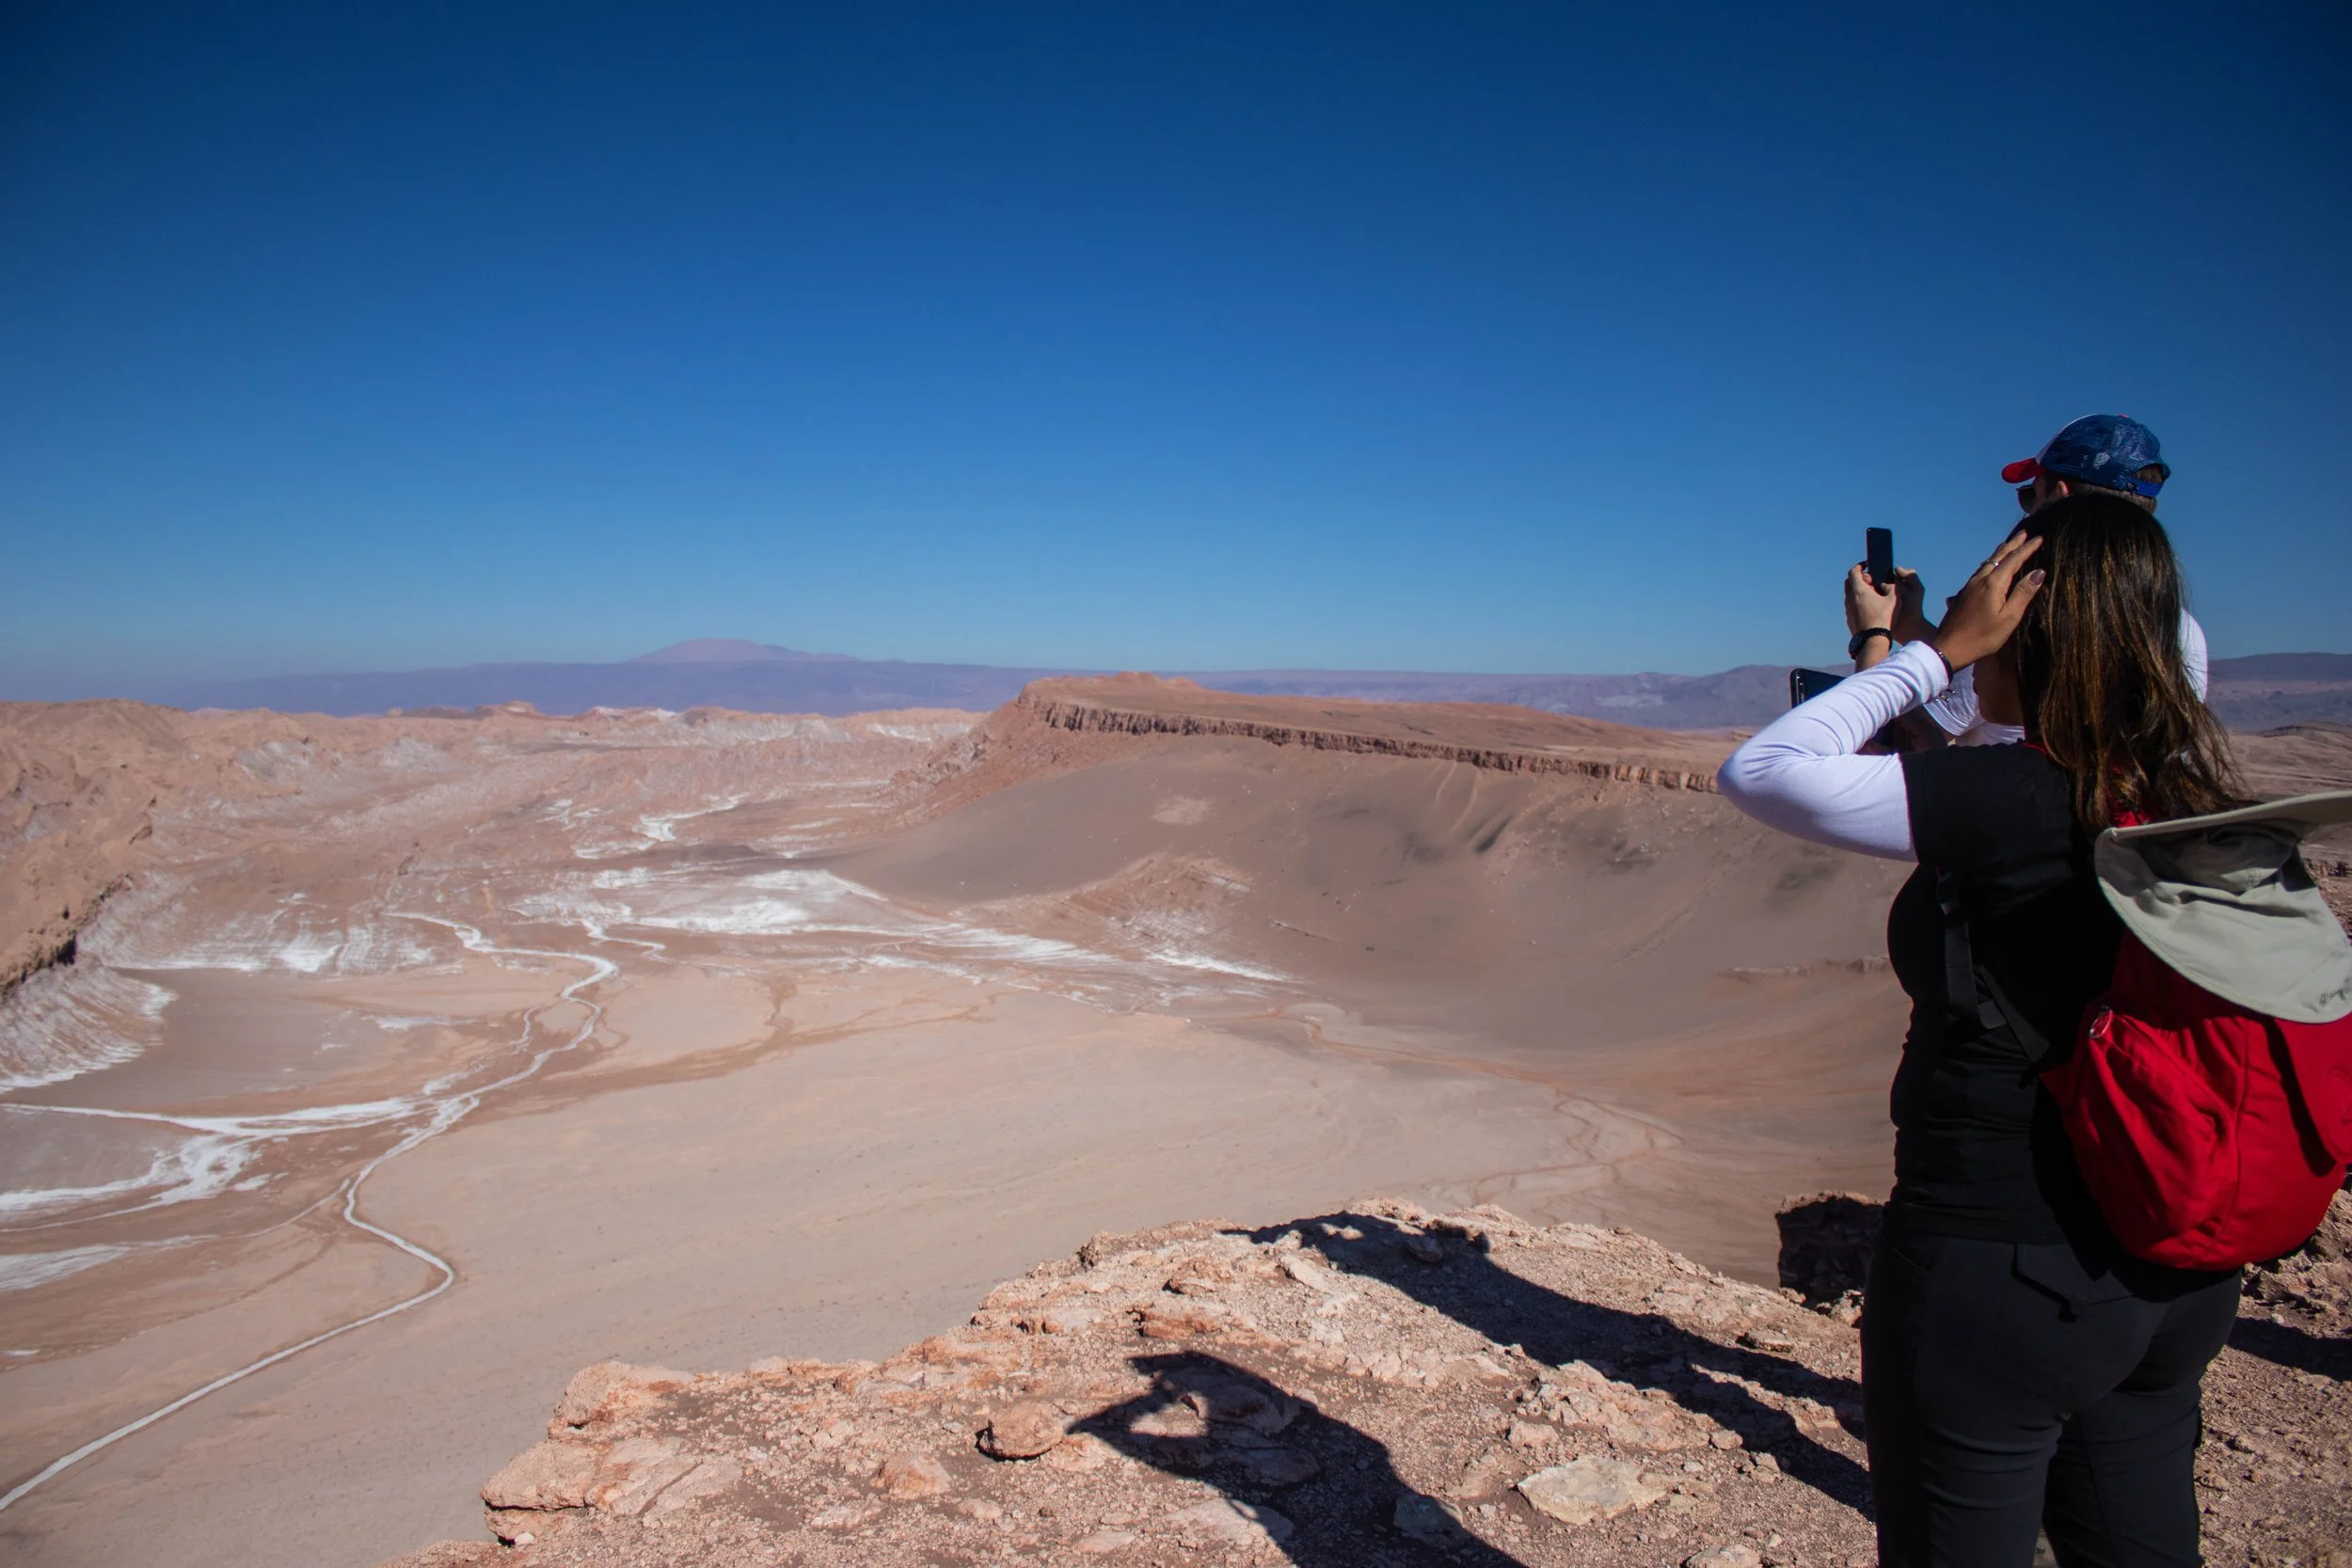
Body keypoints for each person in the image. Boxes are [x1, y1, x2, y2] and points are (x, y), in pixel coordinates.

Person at [1720, 494, 2246, 1565]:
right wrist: (1896, 639)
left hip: (2000, 1267)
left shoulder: (2016, 797)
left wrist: (1930, 649)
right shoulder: (2187, 796)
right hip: (2171, 1269)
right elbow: (1975, 763)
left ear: (2024, 634)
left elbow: (1763, 771)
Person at [1847, 414, 2209, 748]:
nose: (2025, 511)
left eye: (2029, 495)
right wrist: (1918, 629)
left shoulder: (2026, 611)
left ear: (2060, 497)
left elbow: (1907, 743)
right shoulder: (2179, 627)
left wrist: (1872, 638)